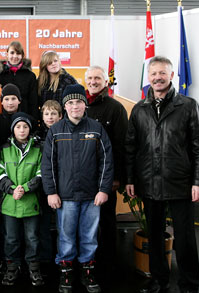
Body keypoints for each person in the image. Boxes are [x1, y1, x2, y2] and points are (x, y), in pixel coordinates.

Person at [125, 56, 199, 293]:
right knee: (155, 236)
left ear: (171, 76)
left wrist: (198, 182)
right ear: (148, 77)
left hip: (180, 182)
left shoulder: (188, 106)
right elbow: (130, 147)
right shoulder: (139, 109)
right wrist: (130, 179)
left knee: (186, 237)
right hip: (148, 181)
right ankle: (159, 280)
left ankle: (189, 283)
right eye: (153, 73)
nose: (157, 77)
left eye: (162, 73)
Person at [41, 84, 113, 293]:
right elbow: (48, 164)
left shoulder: (96, 129)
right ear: (65, 106)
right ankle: (66, 271)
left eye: (78, 102)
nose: (75, 106)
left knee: (89, 236)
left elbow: (106, 162)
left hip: (92, 196)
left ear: (85, 104)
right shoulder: (55, 131)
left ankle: (88, 270)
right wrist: (51, 191)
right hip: (65, 197)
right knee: (66, 235)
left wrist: (103, 189)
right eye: (70, 102)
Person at [84, 65, 128, 286]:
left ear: (105, 81)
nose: (93, 81)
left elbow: (122, 146)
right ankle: (89, 266)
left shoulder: (116, 108)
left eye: (97, 78)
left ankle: (109, 267)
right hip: (82, 180)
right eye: (90, 78)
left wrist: (118, 178)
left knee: (107, 224)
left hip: (106, 180)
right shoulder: (78, 106)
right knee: (86, 225)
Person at [0, 112, 44, 287]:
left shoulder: (38, 149)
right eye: (18, 127)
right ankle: (12, 267)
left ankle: (33, 267)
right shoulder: (5, 150)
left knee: (32, 237)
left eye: (25, 126)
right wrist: (11, 189)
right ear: (12, 130)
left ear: (30, 129)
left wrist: (25, 188)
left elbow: (41, 174)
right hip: (10, 203)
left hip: (31, 202)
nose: (22, 130)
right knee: (11, 238)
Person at [34, 100, 62, 266]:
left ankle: (63, 260)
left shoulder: (65, 132)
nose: (50, 117)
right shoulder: (36, 136)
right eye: (47, 114)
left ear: (60, 116)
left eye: (53, 114)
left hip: (63, 186)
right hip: (43, 186)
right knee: (43, 226)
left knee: (63, 227)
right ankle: (45, 259)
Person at [0, 41, 38, 121]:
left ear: (22, 56)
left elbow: (33, 101)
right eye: (12, 53)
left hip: (24, 119)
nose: (15, 56)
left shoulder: (30, 76)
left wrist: (33, 120)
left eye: (18, 54)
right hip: (3, 118)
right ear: (7, 54)